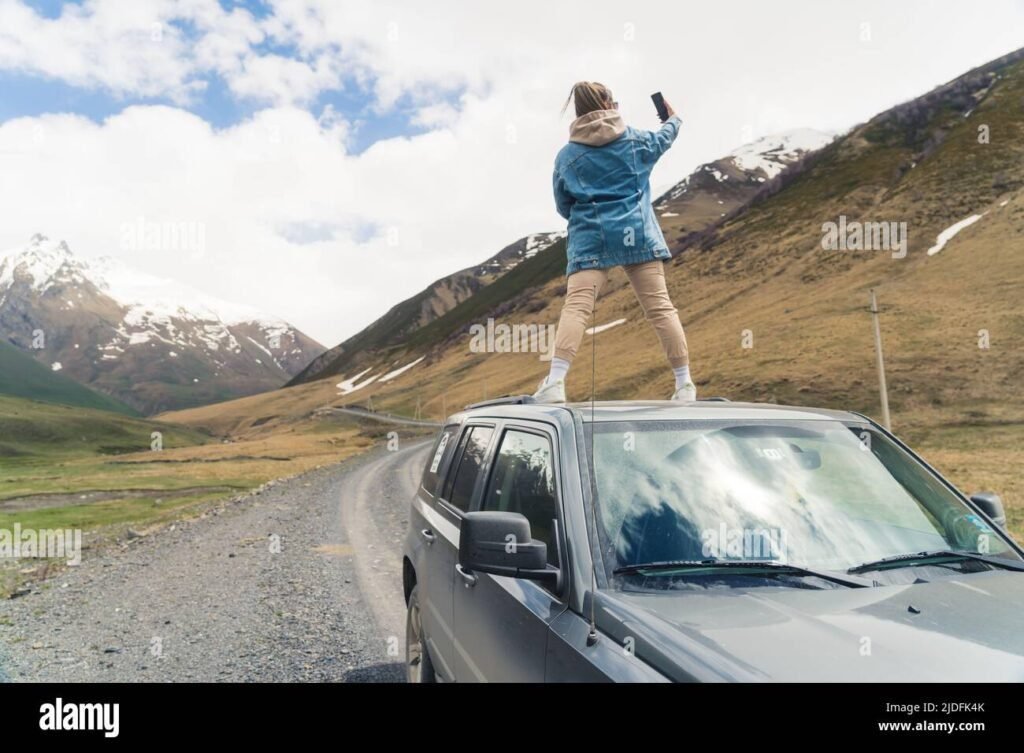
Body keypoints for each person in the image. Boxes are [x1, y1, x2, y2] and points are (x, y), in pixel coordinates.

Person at [533, 81, 696, 404]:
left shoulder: (567, 156)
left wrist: (587, 217)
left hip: (591, 237)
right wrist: (673, 118)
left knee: (577, 307)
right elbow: (667, 135)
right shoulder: (636, 141)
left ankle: (555, 383)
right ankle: (684, 385)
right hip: (637, 233)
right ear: (609, 104)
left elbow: (562, 204)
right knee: (660, 308)